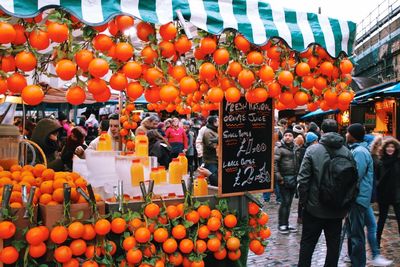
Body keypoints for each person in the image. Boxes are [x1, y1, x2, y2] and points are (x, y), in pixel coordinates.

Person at [297, 119, 355, 267]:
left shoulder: (312, 150)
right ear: (337, 131)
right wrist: (347, 206)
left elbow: (303, 180)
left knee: (308, 245)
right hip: (337, 208)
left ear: (321, 132)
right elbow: (353, 181)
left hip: (314, 208)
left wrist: (304, 203)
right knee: (333, 247)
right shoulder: (347, 152)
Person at [346, 123, 374, 267]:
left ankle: (358, 263)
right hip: (358, 197)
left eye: (347, 132)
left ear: (353, 135)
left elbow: (355, 176)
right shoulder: (357, 150)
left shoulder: (360, 152)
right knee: (353, 233)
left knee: (356, 235)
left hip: (358, 198)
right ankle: (354, 259)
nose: (346, 134)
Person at [363, 136, 393, 266]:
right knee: (362, 227)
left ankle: (374, 255)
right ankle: (371, 255)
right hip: (364, 198)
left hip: (366, 198)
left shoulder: (375, 158)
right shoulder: (373, 159)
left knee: (369, 226)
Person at [275, 128, 299, 234]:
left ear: (293, 137)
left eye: (290, 135)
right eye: (286, 135)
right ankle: (282, 224)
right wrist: (279, 178)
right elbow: (274, 164)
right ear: (283, 137)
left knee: (289, 203)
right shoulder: (279, 148)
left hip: (293, 179)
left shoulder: (296, 148)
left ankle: (286, 224)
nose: (288, 137)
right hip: (283, 179)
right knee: (285, 201)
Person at [376, 137, 400, 247]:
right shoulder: (380, 162)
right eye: (388, 147)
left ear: (395, 148)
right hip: (384, 195)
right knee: (382, 219)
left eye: (392, 147)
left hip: (397, 195)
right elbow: (376, 177)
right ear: (385, 148)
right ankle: (377, 241)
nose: (390, 149)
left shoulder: (398, 161)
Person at [202, 115, 218, 186]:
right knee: (213, 177)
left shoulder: (215, 130)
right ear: (214, 122)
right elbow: (210, 145)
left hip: (216, 159)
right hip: (211, 159)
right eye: (218, 121)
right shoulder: (208, 132)